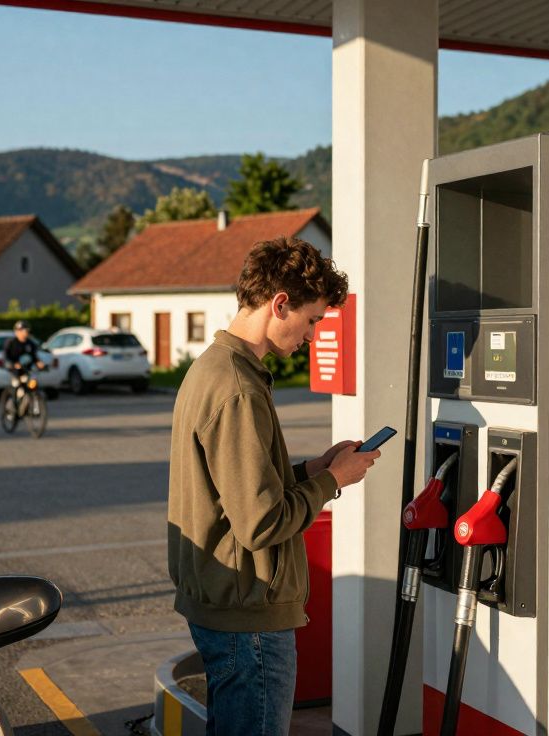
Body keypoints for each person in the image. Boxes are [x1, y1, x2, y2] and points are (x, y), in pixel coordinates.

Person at [167, 236, 381, 735]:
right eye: (311, 321)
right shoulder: (237, 388)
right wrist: (334, 481)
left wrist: (312, 469)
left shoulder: (215, 370)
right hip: (250, 616)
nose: (311, 337)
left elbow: (235, 487)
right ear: (279, 304)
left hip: (225, 601)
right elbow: (262, 521)